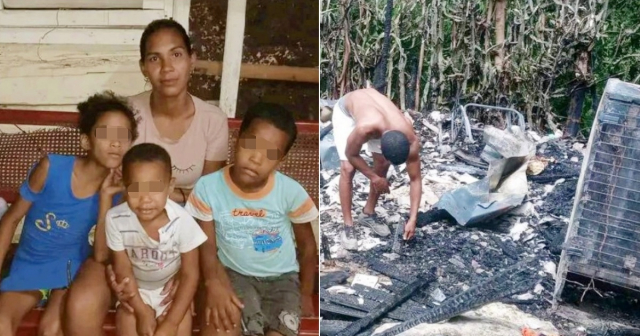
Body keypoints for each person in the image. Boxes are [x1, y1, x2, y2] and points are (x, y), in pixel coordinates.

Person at [64, 19, 228, 336]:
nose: (166, 68)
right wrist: (117, 263)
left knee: (217, 320)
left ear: (192, 59)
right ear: (143, 67)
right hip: (123, 238)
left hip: (182, 245)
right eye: (155, 58)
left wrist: (186, 267)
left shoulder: (212, 120)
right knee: (82, 303)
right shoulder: (129, 115)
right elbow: (120, 189)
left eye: (176, 55)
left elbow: (208, 200)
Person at [0, 91, 137, 336]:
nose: (116, 143)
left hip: (71, 270)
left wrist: (106, 197)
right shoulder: (51, 168)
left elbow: (102, 254)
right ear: (86, 141)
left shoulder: (118, 191)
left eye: (124, 136)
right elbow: (10, 220)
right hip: (30, 265)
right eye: (106, 134)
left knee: (51, 330)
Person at [185, 103, 318, 336]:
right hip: (234, 275)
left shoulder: (290, 192)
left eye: (270, 154)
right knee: (230, 322)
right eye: (251, 145)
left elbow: (307, 246)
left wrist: (306, 294)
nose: (256, 158)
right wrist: (214, 283)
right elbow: (206, 245)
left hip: (283, 282)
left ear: (281, 160)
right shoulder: (208, 187)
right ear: (236, 140)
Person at [106, 143, 207, 336]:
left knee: (180, 325)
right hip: (135, 290)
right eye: (136, 189)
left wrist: (170, 323)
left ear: (170, 185)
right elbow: (122, 269)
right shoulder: (115, 218)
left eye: (154, 188)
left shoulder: (182, 221)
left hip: (171, 292)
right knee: (127, 321)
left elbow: (190, 275)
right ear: (125, 187)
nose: (145, 200)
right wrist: (142, 311)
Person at [332, 88, 422, 250]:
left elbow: (415, 179)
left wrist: (413, 219)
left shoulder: (410, 138)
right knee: (348, 168)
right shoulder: (364, 129)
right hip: (347, 112)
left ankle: (368, 213)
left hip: (380, 117)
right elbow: (351, 154)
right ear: (379, 144)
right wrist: (375, 178)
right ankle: (348, 226)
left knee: (381, 163)